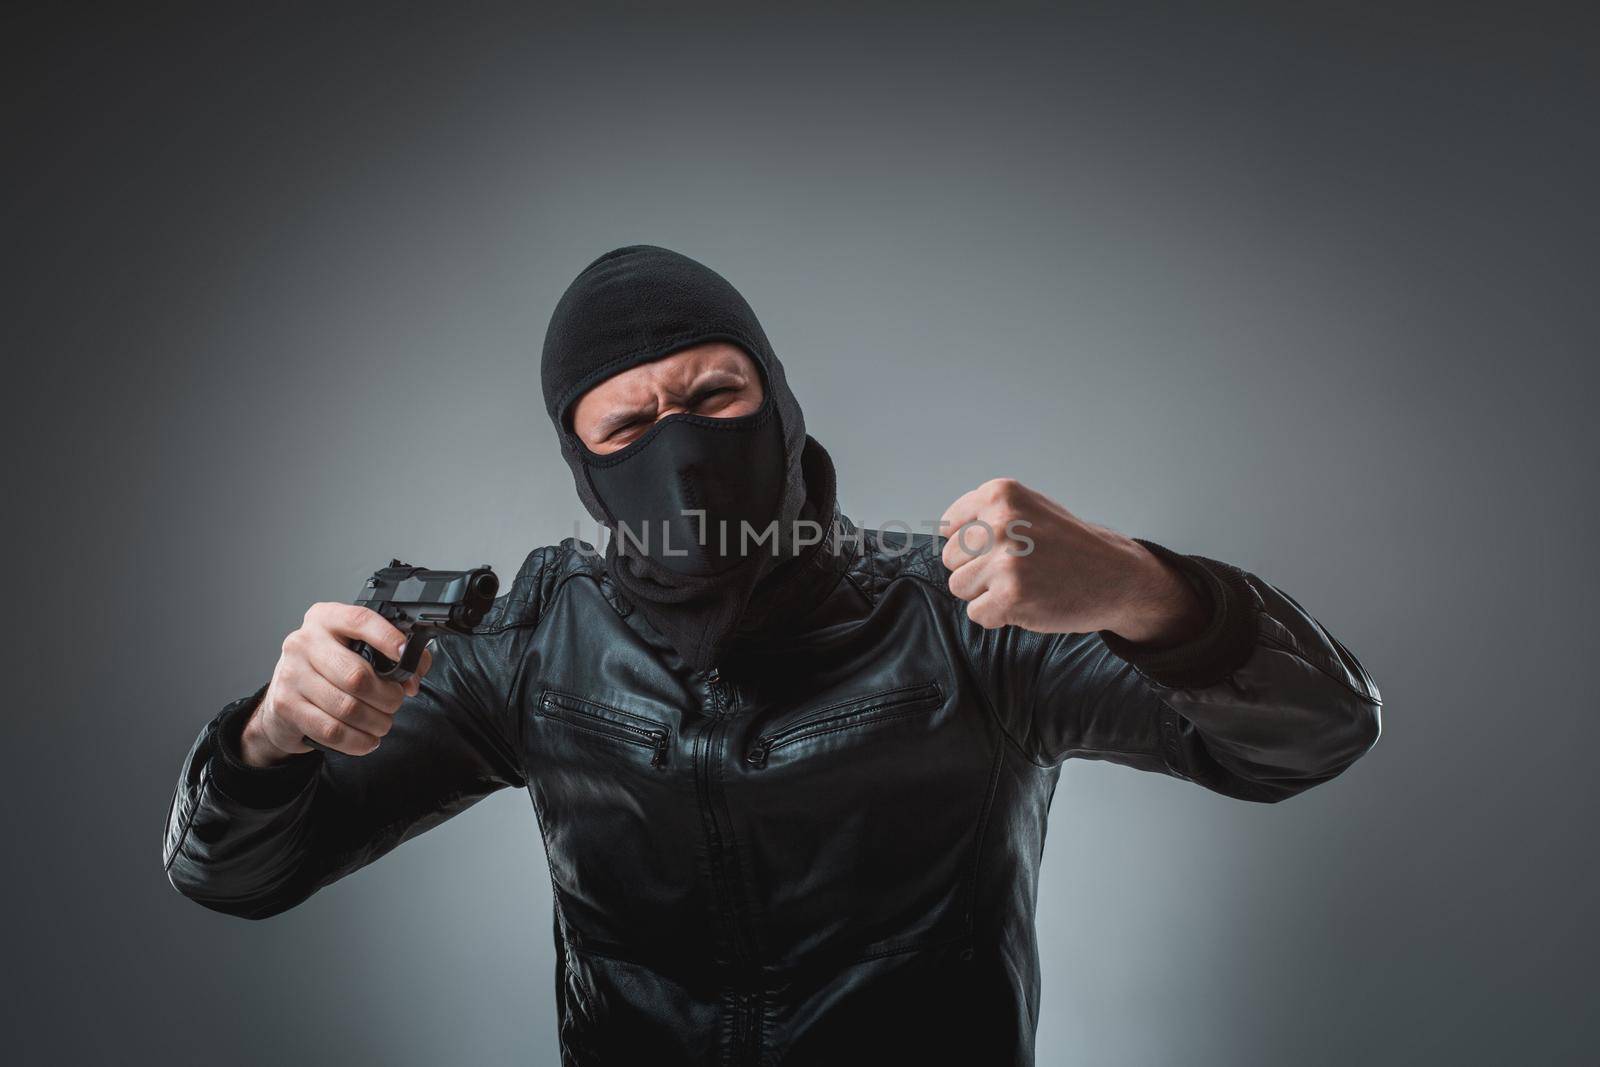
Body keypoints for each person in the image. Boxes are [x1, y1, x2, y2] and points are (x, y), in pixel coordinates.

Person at [164, 244, 1382, 1065]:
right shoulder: (533, 644)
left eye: (714, 395)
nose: (679, 449)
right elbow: (236, 874)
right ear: (584, 465)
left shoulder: (968, 621)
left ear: (781, 402)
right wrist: (271, 739)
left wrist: (1139, 583)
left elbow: (1314, 732)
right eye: (629, 422)